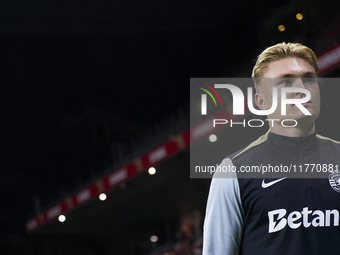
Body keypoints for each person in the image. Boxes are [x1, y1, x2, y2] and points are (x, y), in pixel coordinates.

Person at [203, 42, 340, 255]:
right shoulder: (233, 172)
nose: (302, 89)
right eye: (285, 82)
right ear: (261, 101)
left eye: (309, 79)